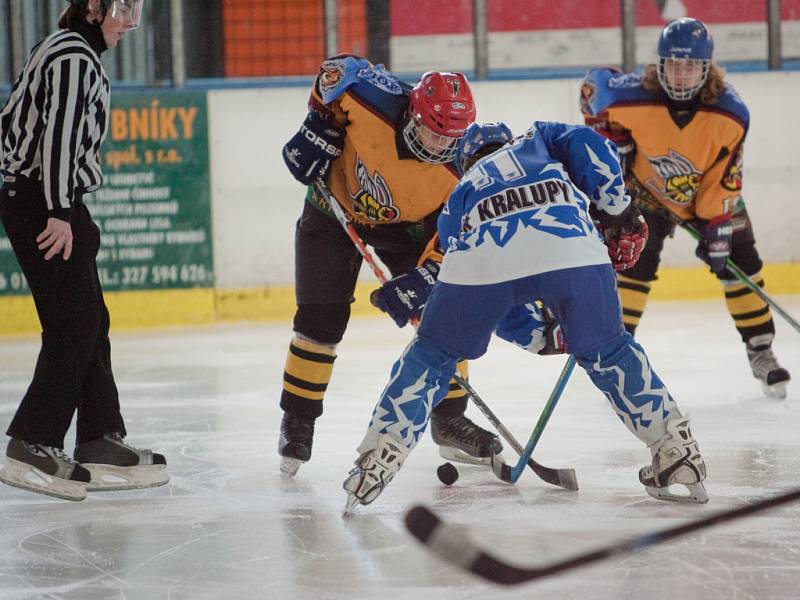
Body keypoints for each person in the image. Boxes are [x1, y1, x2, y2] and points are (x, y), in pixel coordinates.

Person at [343, 120, 709, 512]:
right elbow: (590, 145)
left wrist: (536, 334)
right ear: (510, 140)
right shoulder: (540, 141)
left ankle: (377, 459)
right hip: (572, 251)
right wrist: (617, 210)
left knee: (432, 355)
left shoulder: (460, 193)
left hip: (483, 261)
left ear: (465, 161)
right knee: (612, 351)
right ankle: (677, 451)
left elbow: (480, 287)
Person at [278, 55, 504, 476]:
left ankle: (450, 418)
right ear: (413, 111)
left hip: (413, 230)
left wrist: (426, 278)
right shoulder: (368, 98)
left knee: (444, 318)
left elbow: (454, 240)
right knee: (319, 321)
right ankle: (298, 420)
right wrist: (318, 122)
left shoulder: (464, 168)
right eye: (432, 133)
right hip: (334, 212)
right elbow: (333, 73)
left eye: (448, 139)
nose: (437, 147)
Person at [0, 0, 168, 502]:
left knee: (90, 317)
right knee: (74, 323)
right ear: (93, 7)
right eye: (122, 9)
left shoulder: (68, 49)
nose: (130, 23)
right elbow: (58, 139)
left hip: (49, 198)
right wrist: (59, 209)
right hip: (43, 200)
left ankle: (98, 437)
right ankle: (33, 440)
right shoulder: (74, 57)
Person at [580, 17, 791, 399]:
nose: (680, 75)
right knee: (632, 263)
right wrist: (610, 139)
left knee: (741, 262)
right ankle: (616, 353)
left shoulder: (730, 113)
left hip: (710, 195)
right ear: (658, 66)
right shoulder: (629, 98)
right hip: (647, 193)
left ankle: (761, 349)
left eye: (689, 66)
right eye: (673, 65)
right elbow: (592, 87)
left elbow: (726, 175)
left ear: (706, 69)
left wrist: (719, 225)